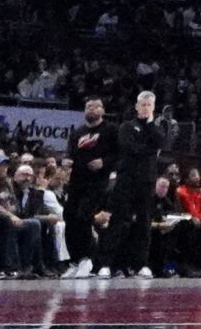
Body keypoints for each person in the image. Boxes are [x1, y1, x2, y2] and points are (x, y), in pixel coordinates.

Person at [99, 89, 164, 277]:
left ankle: (140, 264)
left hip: (147, 181)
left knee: (144, 223)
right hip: (126, 179)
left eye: (149, 105)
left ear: (153, 107)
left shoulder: (157, 128)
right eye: (142, 104)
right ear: (136, 106)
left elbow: (160, 142)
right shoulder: (126, 126)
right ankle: (106, 264)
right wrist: (149, 149)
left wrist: (150, 127)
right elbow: (129, 147)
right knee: (117, 221)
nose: (145, 108)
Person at [61, 97, 115, 277]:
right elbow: (69, 152)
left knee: (84, 216)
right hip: (77, 180)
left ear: (103, 110)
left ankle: (87, 258)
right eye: (88, 106)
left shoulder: (109, 130)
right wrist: (67, 161)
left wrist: (104, 162)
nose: (92, 109)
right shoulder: (77, 132)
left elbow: (119, 155)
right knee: (69, 217)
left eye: (96, 106)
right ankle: (75, 259)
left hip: (96, 182)